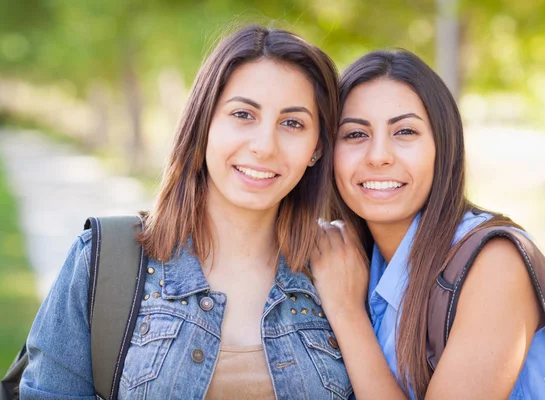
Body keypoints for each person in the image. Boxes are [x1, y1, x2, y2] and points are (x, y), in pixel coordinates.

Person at [20, 25, 354, 400]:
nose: (264, 146)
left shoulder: (342, 269)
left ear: (317, 148)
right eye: (243, 114)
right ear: (204, 124)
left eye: (292, 123)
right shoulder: (101, 260)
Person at [311, 50, 545, 399]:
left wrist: (346, 313)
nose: (378, 156)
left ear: (442, 147)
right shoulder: (349, 258)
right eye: (356, 134)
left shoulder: (493, 263)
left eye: (405, 131)